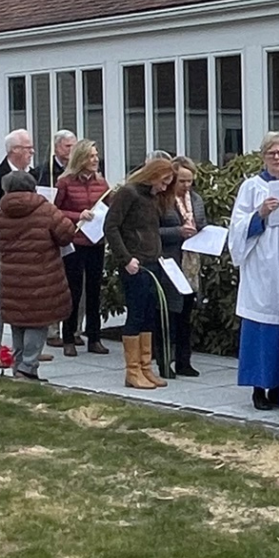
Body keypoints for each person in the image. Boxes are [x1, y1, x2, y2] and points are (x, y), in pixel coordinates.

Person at [231, 132, 279, 410]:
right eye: (271, 154)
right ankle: (259, 388)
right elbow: (236, 228)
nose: (277, 158)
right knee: (262, 325)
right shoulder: (252, 186)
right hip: (262, 259)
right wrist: (260, 214)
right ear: (263, 157)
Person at [0, 171, 76, 379]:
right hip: (42, 277)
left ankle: (18, 365)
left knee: (18, 321)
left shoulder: (1, 212)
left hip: (12, 277)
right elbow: (66, 234)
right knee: (38, 321)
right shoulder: (45, 209)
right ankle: (28, 366)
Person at [103, 157, 176, 389]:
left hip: (153, 261)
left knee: (149, 314)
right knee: (136, 314)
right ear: (153, 175)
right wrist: (125, 258)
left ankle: (146, 367)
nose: (164, 187)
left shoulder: (153, 198)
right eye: (163, 181)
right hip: (134, 263)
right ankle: (132, 371)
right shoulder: (129, 193)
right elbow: (111, 226)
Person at [0, 129, 44, 368]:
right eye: (27, 148)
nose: (32, 153)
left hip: (32, 252)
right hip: (4, 252)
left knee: (27, 301)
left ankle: (25, 349)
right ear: (14, 150)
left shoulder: (33, 176)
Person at [52, 139, 110, 356]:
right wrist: (78, 215)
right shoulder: (65, 182)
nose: (95, 160)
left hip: (96, 241)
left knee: (94, 290)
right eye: (91, 156)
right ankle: (68, 336)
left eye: (96, 156)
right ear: (81, 158)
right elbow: (55, 210)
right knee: (73, 290)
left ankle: (94, 337)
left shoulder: (102, 183)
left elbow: (108, 206)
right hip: (74, 242)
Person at [156, 157, 209, 378]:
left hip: (190, 263)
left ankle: (184, 361)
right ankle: (164, 361)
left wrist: (206, 234)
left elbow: (202, 223)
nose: (186, 185)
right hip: (169, 262)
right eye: (182, 181)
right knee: (168, 316)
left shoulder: (195, 199)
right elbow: (153, 231)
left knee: (186, 315)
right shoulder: (162, 201)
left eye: (190, 181)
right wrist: (178, 232)